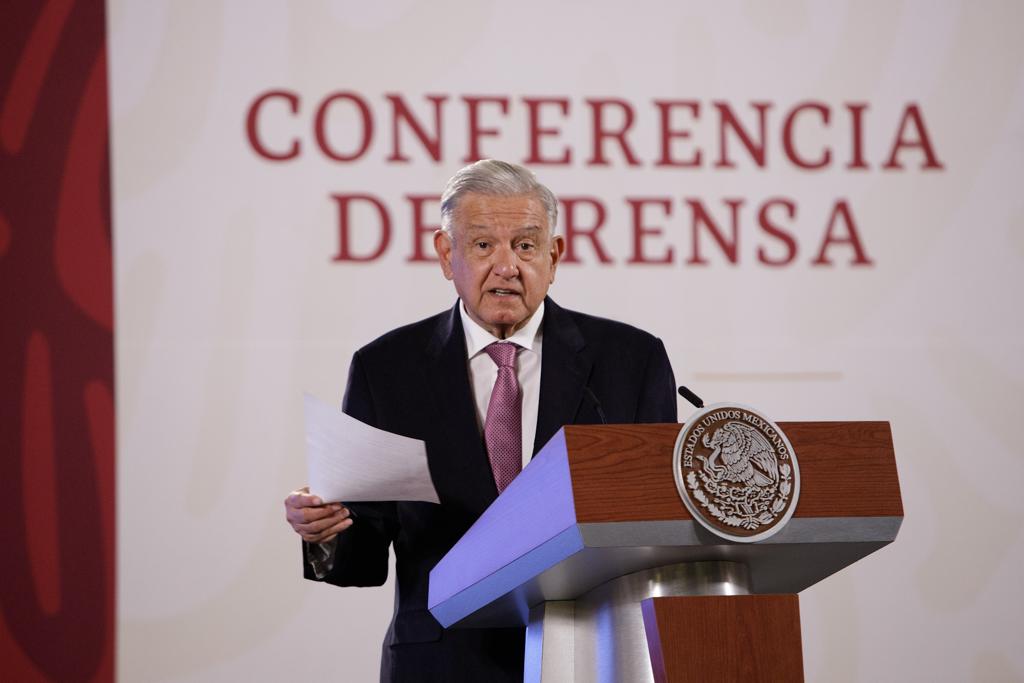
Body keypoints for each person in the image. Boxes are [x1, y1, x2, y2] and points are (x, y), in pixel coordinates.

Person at [284, 160, 677, 682]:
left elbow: (656, 528)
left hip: (591, 656)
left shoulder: (630, 361)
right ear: (447, 255)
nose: (507, 266)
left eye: (526, 245)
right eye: (483, 245)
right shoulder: (388, 369)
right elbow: (365, 556)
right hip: (441, 663)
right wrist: (326, 531)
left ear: (554, 257)